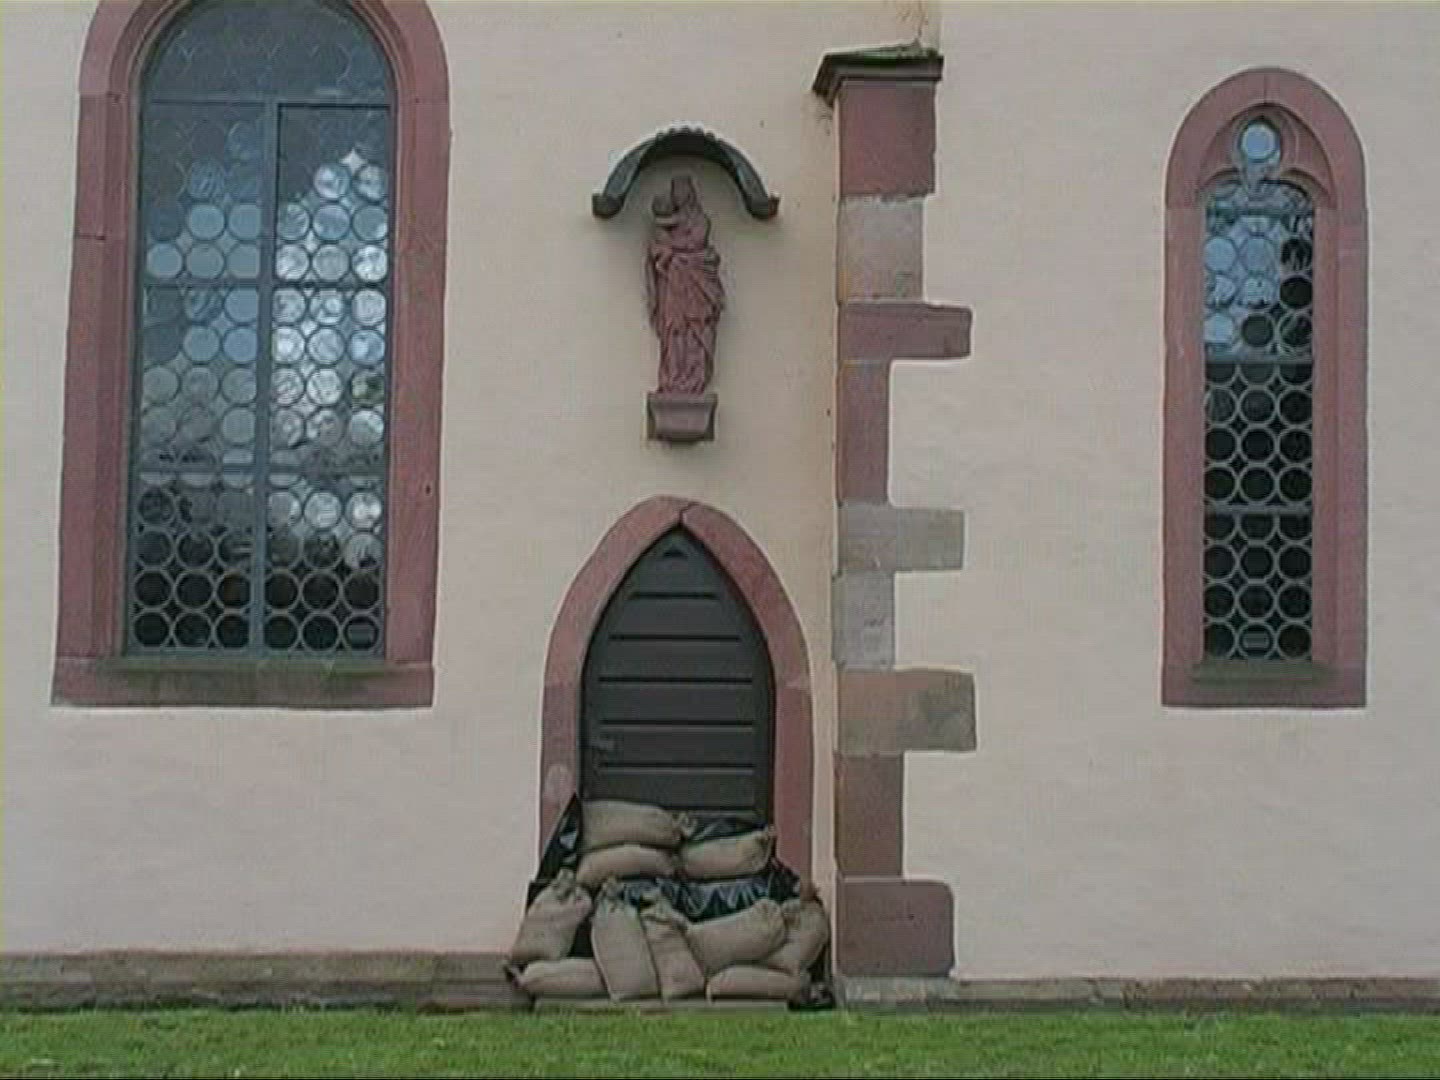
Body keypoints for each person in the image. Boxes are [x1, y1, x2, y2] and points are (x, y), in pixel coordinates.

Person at [645, 175, 724, 394]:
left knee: (695, 329)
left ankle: (694, 376)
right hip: (673, 287)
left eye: (682, 192)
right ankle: (674, 377)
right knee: (673, 330)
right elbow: (659, 247)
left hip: (697, 286)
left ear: (689, 193)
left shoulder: (700, 220)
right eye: (676, 192)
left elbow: (696, 242)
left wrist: (671, 249)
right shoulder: (668, 225)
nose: (678, 197)